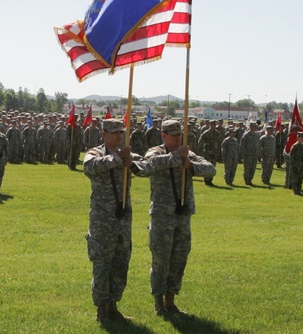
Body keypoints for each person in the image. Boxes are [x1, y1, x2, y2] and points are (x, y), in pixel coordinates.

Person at [137, 120, 216, 316]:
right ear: (164, 135)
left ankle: (170, 300)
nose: (178, 137)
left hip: (182, 213)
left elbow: (210, 168)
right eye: (173, 134)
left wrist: (189, 164)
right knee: (161, 260)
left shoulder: (187, 153)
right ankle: (158, 303)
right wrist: (175, 158)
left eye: (179, 134)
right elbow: (146, 167)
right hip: (162, 214)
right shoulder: (155, 152)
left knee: (179, 258)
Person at [83, 119, 141, 323]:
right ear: (104, 133)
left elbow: (144, 168)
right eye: (115, 132)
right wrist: (117, 158)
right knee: (102, 263)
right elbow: (89, 167)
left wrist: (130, 161)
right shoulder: (96, 153)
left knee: (120, 263)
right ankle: (101, 309)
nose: (119, 135)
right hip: (103, 220)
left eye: (121, 132)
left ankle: (113, 305)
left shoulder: (127, 153)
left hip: (123, 219)